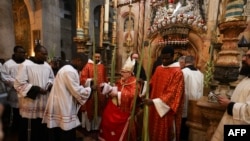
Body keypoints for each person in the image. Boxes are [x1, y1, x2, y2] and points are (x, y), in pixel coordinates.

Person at [42, 53, 92, 141]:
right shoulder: (70, 71)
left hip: (61, 103)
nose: (83, 67)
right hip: (63, 105)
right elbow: (76, 91)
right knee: (65, 132)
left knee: (59, 130)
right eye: (83, 64)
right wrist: (90, 89)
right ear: (78, 61)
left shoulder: (67, 69)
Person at [14, 44, 54, 141]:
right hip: (31, 102)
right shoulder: (26, 65)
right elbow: (19, 84)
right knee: (30, 128)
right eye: (43, 54)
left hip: (44, 102)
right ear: (36, 53)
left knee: (42, 128)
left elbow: (51, 78)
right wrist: (38, 89)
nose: (45, 56)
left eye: (46, 54)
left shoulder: (47, 66)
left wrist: (49, 85)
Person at [144, 46, 184, 141]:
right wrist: (142, 85)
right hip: (154, 108)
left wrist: (154, 102)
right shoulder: (158, 69)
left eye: (167, 58)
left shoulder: (177, 72)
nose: (164, 61)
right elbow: (151, 83)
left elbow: (173, 93)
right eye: (163, 58)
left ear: (173, 56)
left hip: (165, 110)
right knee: (153, 131)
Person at [211, 49, 250, 141]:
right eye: (245, 55)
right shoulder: (246, 79)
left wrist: (229, 105)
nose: (243, 59)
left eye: (248, 56)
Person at [98, 57, 141, 141]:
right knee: (106, 115)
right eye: (121, 71)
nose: (121, 74)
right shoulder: (121, 80)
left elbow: (132, 95)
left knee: (113, 118)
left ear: (130, 73)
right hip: (115, 104)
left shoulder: (135, 83)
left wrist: (118, 94)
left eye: (124, 72)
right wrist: (109, 89)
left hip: (125, 109)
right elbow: (116, 88)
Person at [1, 46, 28, 133]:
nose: (23, 54)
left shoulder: (28, 63)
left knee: (25, 112)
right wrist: (17, 84)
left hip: (25, 92)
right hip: (14, 93)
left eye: (24, 53)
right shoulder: (8, 64)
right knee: (15, 112)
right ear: (15, 53)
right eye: (21, 52)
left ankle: (23, 128)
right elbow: (4, 77)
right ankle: (14, 129)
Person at [80, 50, 108, 131]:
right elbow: (82, 79)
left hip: (100, 93)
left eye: (99, 57)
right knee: (90, 108)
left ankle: (97, 127)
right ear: (92, 56)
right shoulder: (87, 66)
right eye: (95, 57)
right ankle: (89, 128)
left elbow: (105, 78)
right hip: (90, 92)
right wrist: (90, 81)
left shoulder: (102, 66)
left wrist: (106, 86)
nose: (97, 58)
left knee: (99, 109)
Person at [180, 55, 204, 140]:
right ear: (194, 62)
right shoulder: (200, 73)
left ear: (184, 62)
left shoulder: (183, 72)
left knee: (183, 127)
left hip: (185, 103)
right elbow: (201, 89)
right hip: (196, 103)